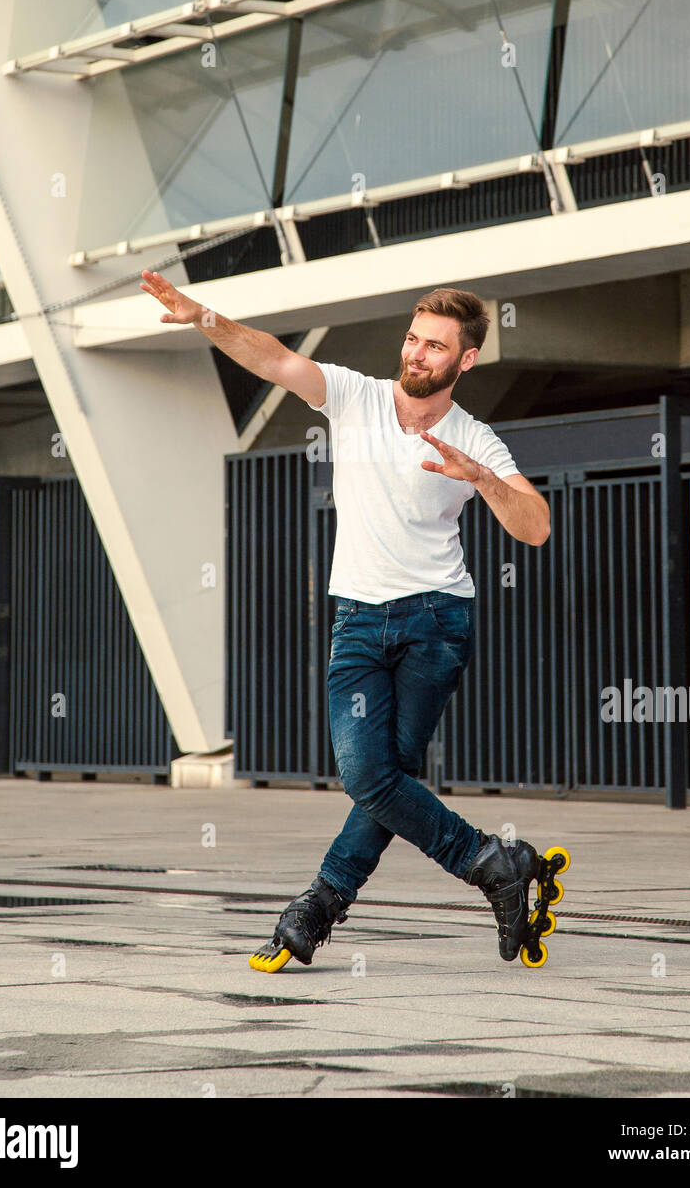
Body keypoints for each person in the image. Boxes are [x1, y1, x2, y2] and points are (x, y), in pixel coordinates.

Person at [140, 270, 553, 968]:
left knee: (383, 778)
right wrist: (203, 317)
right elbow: (273, 357)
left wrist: (481, 478)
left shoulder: (474, 436)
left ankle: (316, 909)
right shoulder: (357, 397)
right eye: (413, 340)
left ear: (466, 360)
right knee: (369, 776)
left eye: (435, 347)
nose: (417, 355)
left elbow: (535, 527)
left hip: (438, 621)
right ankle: (491, 861)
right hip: (358, 620)